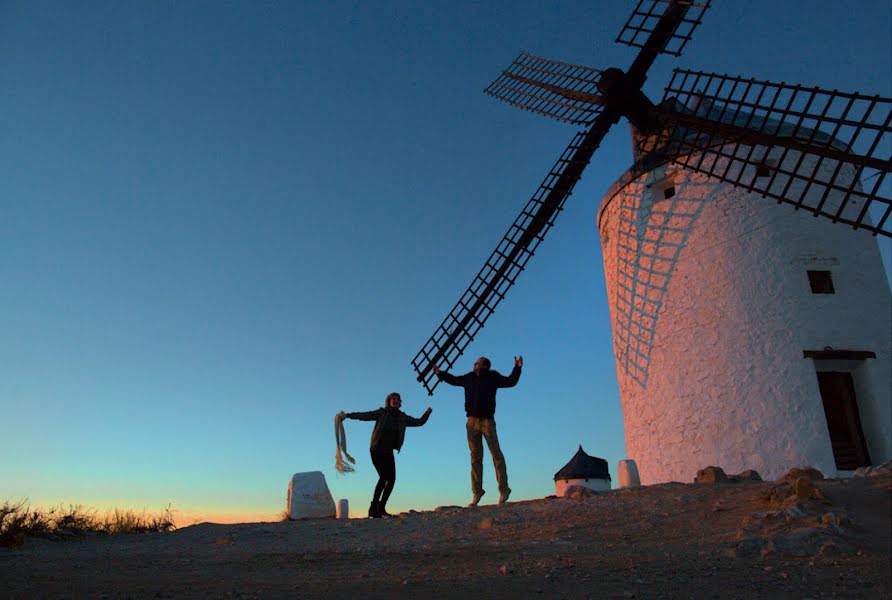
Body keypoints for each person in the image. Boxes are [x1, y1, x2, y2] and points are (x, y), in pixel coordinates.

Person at [432, 355, 522, 506]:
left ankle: (504, 489)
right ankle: (477, 492)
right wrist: (439, 373)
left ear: (484, 365)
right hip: (471, 422)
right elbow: (454, 380)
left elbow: (510, 382)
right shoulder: (469, 377)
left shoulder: (493, 376)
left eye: (477, 363)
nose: (474, 364)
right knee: (475, 457)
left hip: (487, 421)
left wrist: (517, 368)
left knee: (496, 454)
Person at [338, 393, 432, 518]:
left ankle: (381, 508)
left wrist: (427, 413)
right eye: (394, 399)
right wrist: (348, 415)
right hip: (376, 450)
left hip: (388, 452)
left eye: (398, 400)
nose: (396, 401)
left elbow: (419, 422)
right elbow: (365, 415)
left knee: (391, 480)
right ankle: (373, 508)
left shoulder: (402, 417)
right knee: (383, 477)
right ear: (388, 401)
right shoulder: (382, 413)